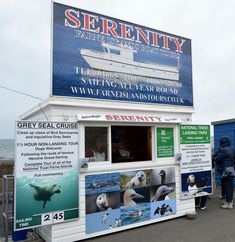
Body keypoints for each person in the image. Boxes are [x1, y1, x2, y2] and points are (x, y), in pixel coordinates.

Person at [215, 136, 234, 209]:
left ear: (223, 142)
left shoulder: (224, 150)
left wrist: (215, 158)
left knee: (227, 186)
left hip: (225, 170)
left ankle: (229, 203)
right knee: (229, 185)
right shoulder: (232, 149)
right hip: (231, 169)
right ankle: (228, 201)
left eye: (220, 142)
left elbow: (218, 159)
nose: (220, 143)